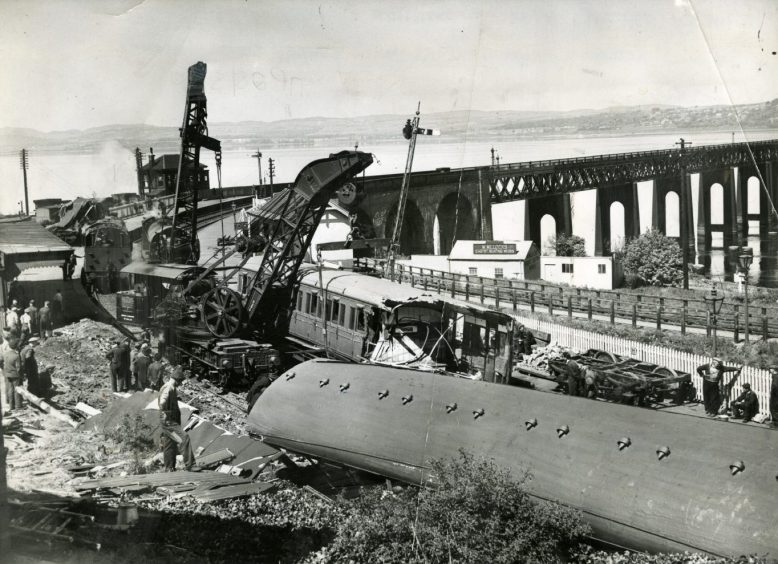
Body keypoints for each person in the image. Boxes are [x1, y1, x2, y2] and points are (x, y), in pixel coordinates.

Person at [158, 366, 195, 472]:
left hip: (168, 421)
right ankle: (190, 464)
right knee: (184, 438)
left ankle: (169, 467)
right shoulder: (169, 387)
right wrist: (166, 411)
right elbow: (162, 402)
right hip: (169, 422)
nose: (180, 384)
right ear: (178, 380)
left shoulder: (169, 386)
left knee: (170, 442)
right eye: (180, 381)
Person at [1, 339, 23, 410]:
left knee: (10, 390)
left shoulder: (5, 354)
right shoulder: (16, 356)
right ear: (16, 346)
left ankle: (11, 406)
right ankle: (18, 406)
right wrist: (21, 376)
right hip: (15, 375)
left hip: (7, 374)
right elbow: (18, 368)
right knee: (17, 389)